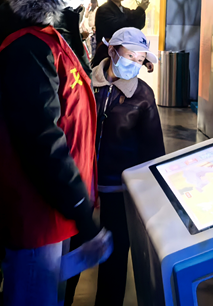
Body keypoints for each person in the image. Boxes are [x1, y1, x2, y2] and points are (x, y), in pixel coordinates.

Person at [0, 0, 107, 306]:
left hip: (56, 207)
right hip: (37, 213)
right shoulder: (28, 47)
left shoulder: (50, 36)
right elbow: (42, 140)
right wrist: (80, 209)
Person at [65, 27, 165, 306]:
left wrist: (149, 195)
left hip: (118, 191)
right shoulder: (84, 82)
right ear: (112, 51)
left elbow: (153, 150)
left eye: (140, 60)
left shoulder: (143, 96)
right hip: (80, 186)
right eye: (130, 56)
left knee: (115, 258)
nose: (135, 64)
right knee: (72, 252)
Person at [92, 0, 149, 66]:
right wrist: (140, 10)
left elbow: (137, 26)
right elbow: (120, 26)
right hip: (106, 61)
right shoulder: (103, 10)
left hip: (123, 60)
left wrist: (142, 9)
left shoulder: (125, 10)